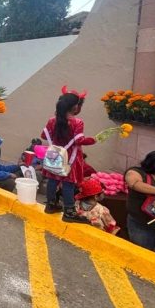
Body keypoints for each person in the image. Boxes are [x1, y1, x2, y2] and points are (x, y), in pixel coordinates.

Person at [40, 90, 95, 223]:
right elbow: (78, 141)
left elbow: (43, 135)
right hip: (70, 158)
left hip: (54, 157)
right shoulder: (77, 122)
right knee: (68, 184)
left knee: (52, 180)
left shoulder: (52, 120)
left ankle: (50, 205)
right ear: (75, 107)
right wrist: (93, 140)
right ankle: (69, 212)